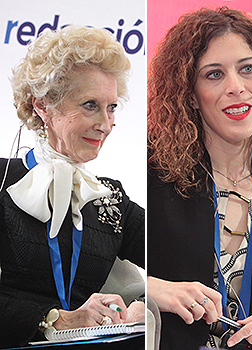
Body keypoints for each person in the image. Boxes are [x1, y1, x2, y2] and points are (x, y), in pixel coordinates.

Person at [146, 7, 252, 350]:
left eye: (248, 69)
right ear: (191, 96)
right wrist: (155, 288)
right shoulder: (153, 173)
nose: (236, 88)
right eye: (214, 75)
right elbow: (104, 274)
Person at [0, 26, 145, 347]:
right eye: (90, 105)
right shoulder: (1, 179)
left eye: (112, 107)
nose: (106, 125)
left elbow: (178, 257)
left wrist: (145, 306)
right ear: (43, 106)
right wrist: (54, 318)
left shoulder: (112, 198)